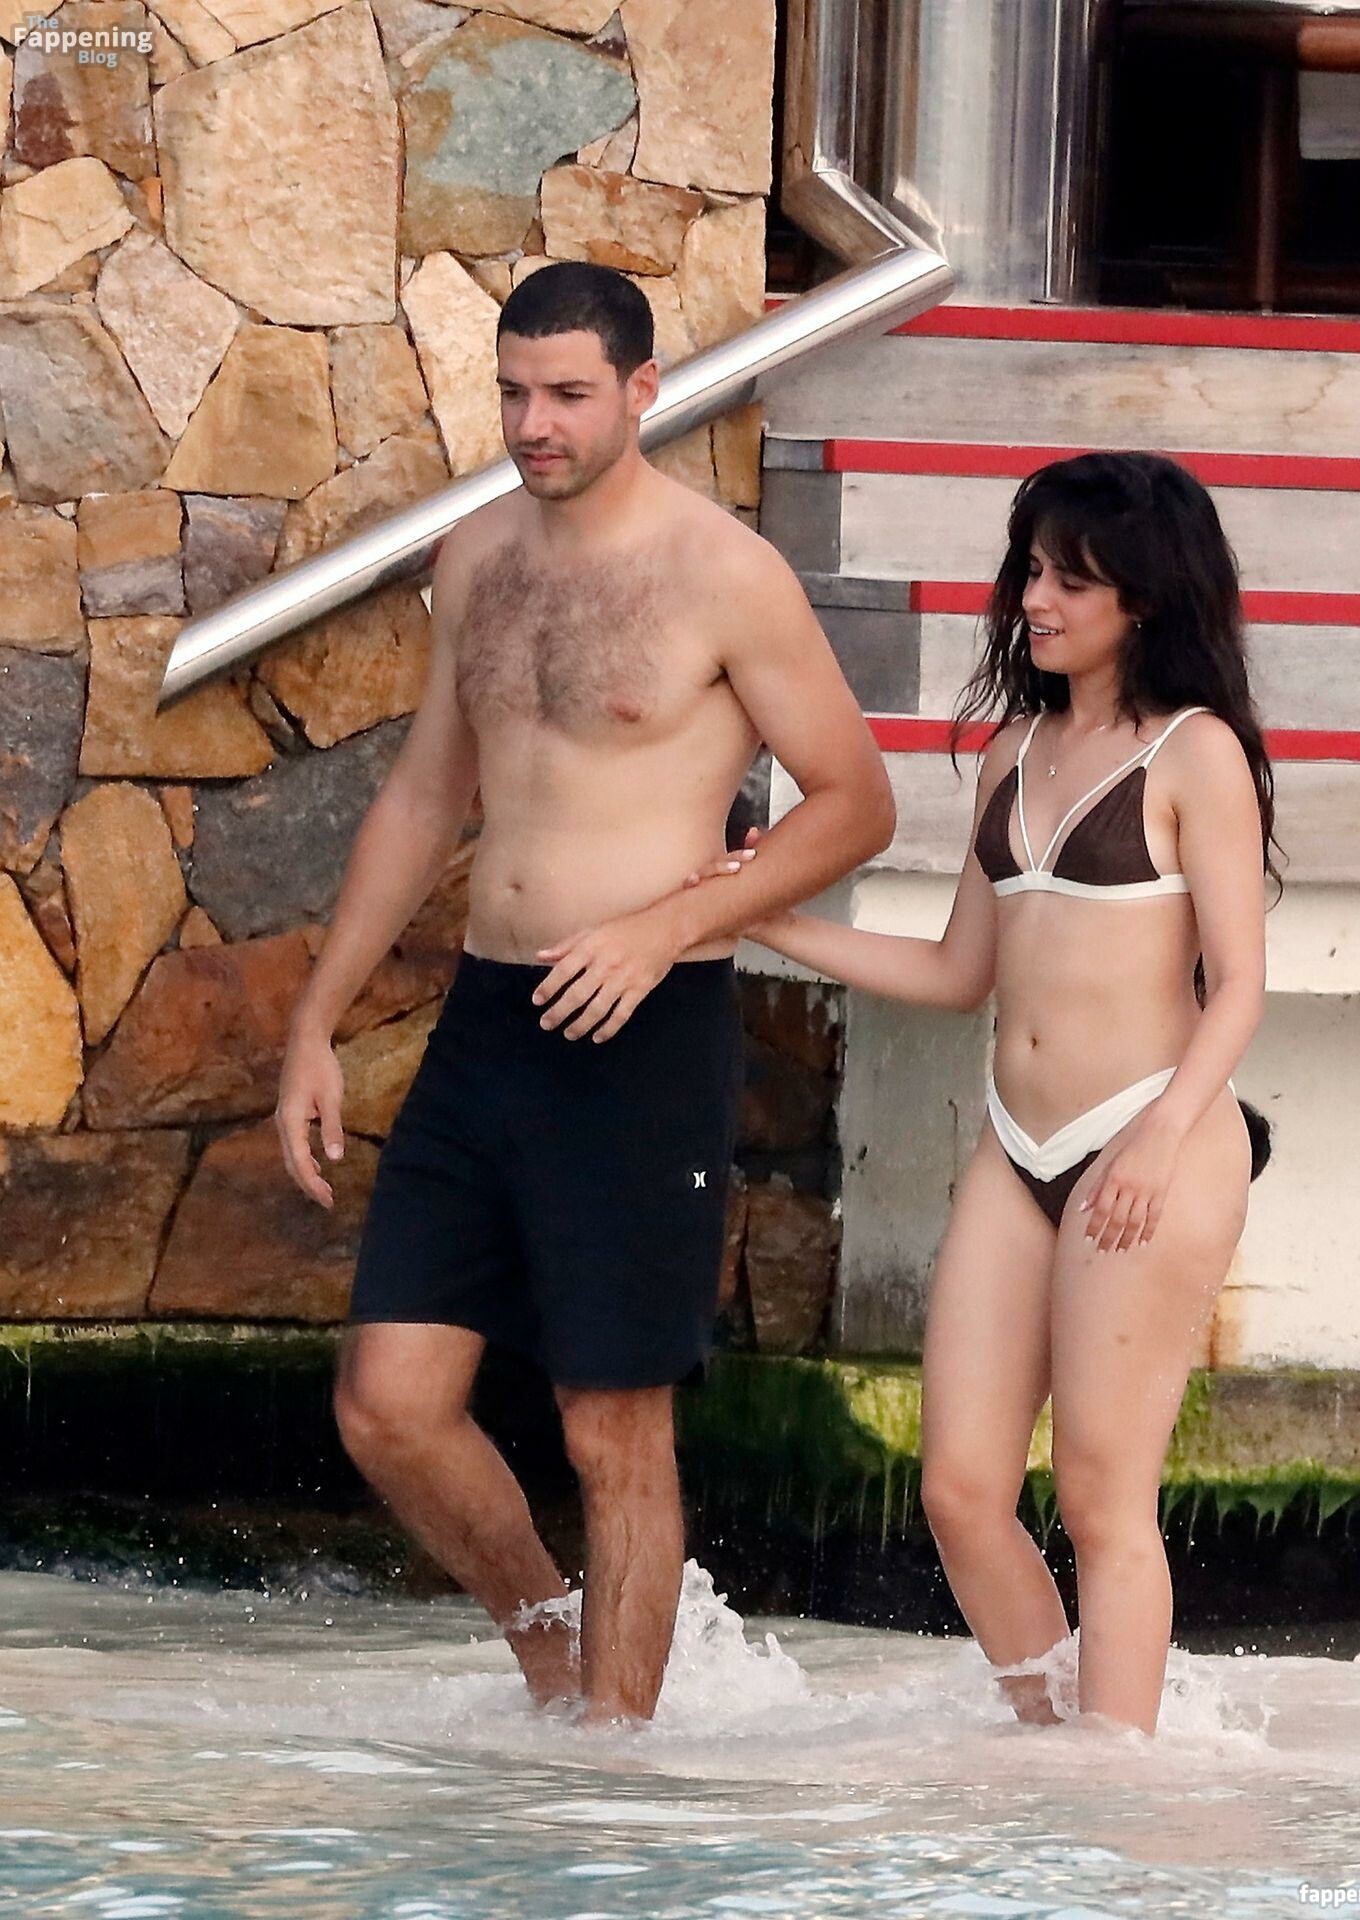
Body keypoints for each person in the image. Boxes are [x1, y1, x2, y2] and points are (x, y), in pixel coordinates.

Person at [274, 261, 895, 1724]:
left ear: (640, 392)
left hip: (640, 1032)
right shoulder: (477, 555)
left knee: (612, 1427)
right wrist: (314, 1021)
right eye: (511, 392)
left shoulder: (724, 574)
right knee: (387, 1406)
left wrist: (670, 923)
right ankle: (553, 1649)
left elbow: (854, 803)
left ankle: (613, 1771)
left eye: (564, 394)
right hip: (488, 1021)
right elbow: (425, 797)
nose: (531, 424)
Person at [686, 451, 1281, 1736]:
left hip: (1152, 1140)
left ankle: (1112, 1789)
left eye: (1070, 580)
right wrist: (766, 918)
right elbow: (960, 973)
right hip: (1018, 1145)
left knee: (1101, 1502)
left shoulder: (1195, 754)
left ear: (1144, 597)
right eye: (1030, 572)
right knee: (958, 1490)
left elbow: (1238, 986)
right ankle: (1057, 1747)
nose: (1033, 600)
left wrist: (1158, 1139)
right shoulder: (1012, 750)